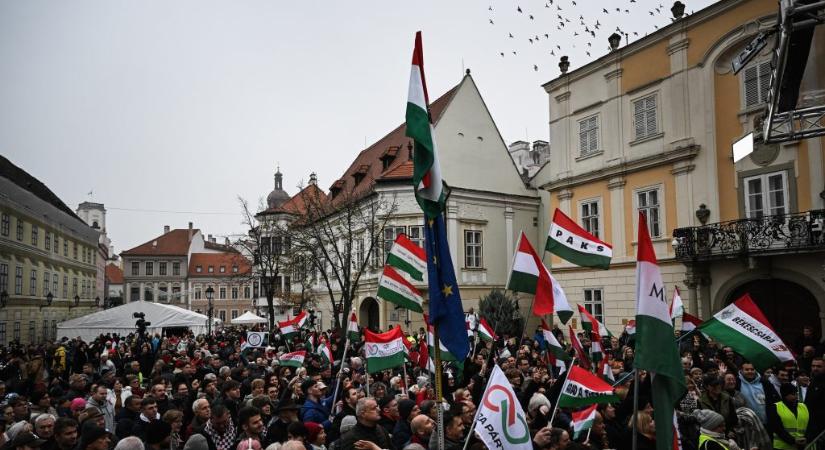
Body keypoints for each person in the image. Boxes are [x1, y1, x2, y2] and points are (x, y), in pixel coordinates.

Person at [768, 383, 809, 450]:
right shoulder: (776, 407)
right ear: (785, 395)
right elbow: (778, 428)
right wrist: (793, 441)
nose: (796, 396)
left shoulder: (803, 406)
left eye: (796, 393)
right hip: (782, 446)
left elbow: (810, 424)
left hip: (802, 446)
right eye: (793, 394)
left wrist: (807, 438)